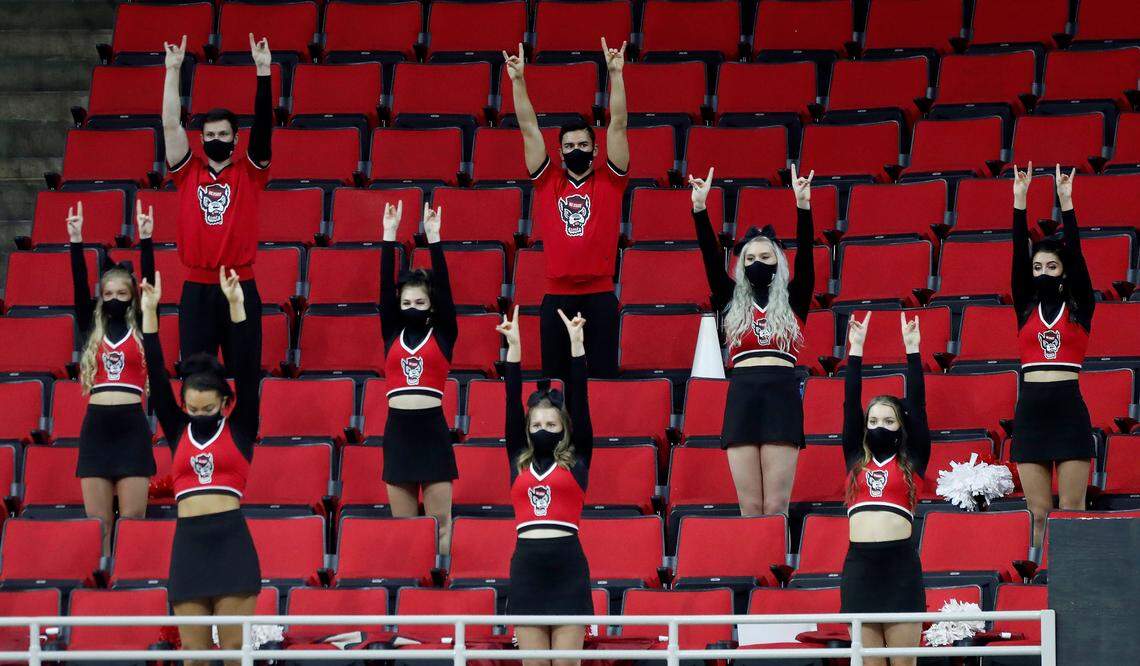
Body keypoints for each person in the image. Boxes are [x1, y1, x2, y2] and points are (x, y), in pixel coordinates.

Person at [140, 268, 261, 665]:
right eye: (192, 408)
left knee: (232, 653)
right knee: (193, 653)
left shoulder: (241, 428)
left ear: (224, 405)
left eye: (207, 409)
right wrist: (150, 315)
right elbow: (156, 378)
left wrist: (237, 307)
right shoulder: (177, 429)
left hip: (231, 543)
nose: (199, 415)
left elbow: (246, 369)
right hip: (189, 545)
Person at [688, 165, 815, 516]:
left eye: (765, 257)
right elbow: (710, 259)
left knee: (775, 505)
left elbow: (807, 261)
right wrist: (700, 210)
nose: (757, 263)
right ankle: (752, 567)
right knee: (750, 505)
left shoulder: (794, 299)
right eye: (750, 258)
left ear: (779, 263)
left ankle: (774, 567)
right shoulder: (730, 299)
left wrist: (803, 207)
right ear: (740, 265)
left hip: (781, 394)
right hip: (742, 393)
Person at [503, 38, 629, 381]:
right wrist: (518, 81)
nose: (576, 149)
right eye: (570, 145)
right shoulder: (548, 181)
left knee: (602, 383)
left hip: (601, 298)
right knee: (554, 387)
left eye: (583, 145)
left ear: (594, 148)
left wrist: (615, 74)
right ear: (559, 152)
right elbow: (528, 127)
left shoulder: (610, 180)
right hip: (556, 298)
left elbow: (618, 123)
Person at [162, 33, 272, 363]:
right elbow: (170, 124)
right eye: (209, 135)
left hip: (241, 286)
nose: (216, 139)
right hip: (196, 290)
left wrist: (263, 72)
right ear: (201, 139)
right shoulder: (187, 171)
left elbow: (265, 127)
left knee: (246, 373)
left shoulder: (250, 172)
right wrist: (172, 70)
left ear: (236, 139)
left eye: (223, 134)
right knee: (197, 378)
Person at [496, 305, 594, 665]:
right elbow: (510, 404)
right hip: (527, 570)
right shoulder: (517, 458)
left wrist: (577, 346)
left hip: (568, 568)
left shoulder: (577, 460)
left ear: (563, 430)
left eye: (551, 426)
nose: (542, 430)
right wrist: (515, 351)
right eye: (536, 424)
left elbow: (581, 406)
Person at [1010, 163, 1095, 548]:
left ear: (1063, 272)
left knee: (1073, 510)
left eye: (1051, 266)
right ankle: (1041, 595)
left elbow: (1077, 258)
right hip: (1031, 414)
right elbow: (1016, 255)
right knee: (1039, 513)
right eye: (1037, 266)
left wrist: (1068, 203)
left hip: (1068, 412)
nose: (1043, 272)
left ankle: (1075, 595)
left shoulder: (1080, 308)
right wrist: (1020, 201)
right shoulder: (1025, 306)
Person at [841, 311, 930, 666]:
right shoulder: (854, 459)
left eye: (888, 420)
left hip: (900, 570)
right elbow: (850, 406)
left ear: (900, 427)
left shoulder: (912, 460)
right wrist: (856, 350)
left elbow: (919, 407)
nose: (880, 426)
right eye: (873, 420)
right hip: (859, 568)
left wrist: (913, 350)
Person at [68, 200, 157, 554]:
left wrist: (147, 239)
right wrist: (76, 241)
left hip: (132, 427)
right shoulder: (91, 328)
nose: (115, 299)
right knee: (99, 527)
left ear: (132, 297)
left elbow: (150, 288)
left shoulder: (143, 327)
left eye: (122, 294)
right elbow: (78, 289)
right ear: (100, 298)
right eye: (108, 294)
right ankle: (101, 595)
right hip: (97, 429)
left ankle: (130, 595)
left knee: (133, 524)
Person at [380, 201, 459, 556]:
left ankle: (443, 595)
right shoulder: (390, 335)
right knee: (405, 532)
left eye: (420, 302)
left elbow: (444, 291)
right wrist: (388, 235)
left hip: (432, 430)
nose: (412, 308)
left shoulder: (443, 335)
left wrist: (435, 238)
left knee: (442, 526)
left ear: (431, 306)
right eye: (406, 303)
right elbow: (384, 291)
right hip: (398, 432)